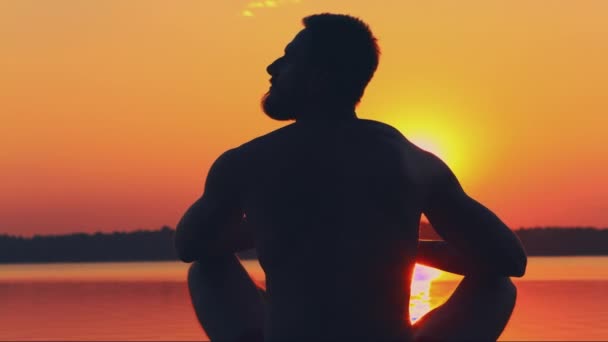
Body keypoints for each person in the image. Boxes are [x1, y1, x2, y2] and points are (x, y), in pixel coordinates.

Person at [175, 13, 527, 342]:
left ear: (320, 76)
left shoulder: (248, 161)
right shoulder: (409, 159)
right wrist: (391, 243)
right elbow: (509, 260)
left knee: (208, 268)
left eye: (288, 58)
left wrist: (283, 225)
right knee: (497, 284)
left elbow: (191, 246)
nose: (272, 67)